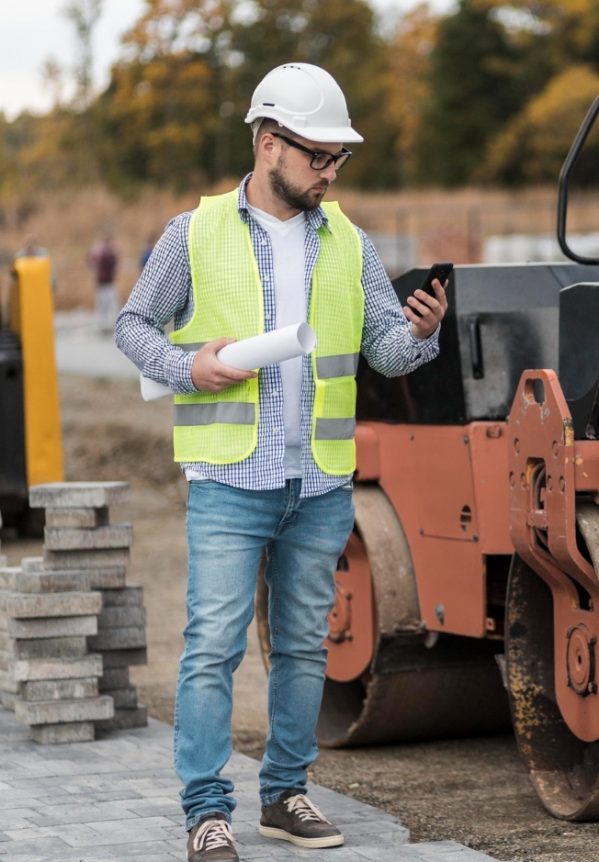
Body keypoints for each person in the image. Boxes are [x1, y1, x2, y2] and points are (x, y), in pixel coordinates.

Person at [115, 62, 449, 862]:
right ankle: (205, 811)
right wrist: (192, 368)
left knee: (304, 645)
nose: (331, 173)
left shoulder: (351, 244)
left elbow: (384, 353)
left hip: (320, 482)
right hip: (229, 479)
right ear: (270, 144)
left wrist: (424, 334)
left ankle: (285, 794)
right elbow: (133, 328)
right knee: (212, 648)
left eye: (340, 160)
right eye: (319, 157)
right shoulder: (192, 233)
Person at [89, 232, 119, 333]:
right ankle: (103, 325)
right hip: (105, 283)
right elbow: (113, 261)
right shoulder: (104, 253)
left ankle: (103, 325)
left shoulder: (97, 251)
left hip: (104, 283)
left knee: (106, 306)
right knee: (108, 305)